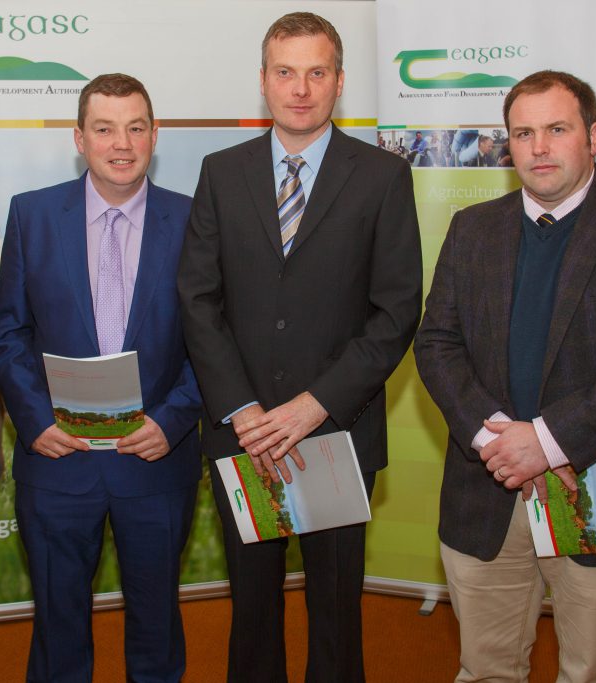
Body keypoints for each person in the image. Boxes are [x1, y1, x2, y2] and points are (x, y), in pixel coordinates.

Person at [414, 70, 596, 682]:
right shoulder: (473, 229)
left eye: (556, 129)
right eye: (523, 133)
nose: (539, 147)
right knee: (485, 669)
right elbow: (437, 342)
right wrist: (495, 440)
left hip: (595, 480)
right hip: (486, 485)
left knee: (592, 670)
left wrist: (546, 441)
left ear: (593, 136)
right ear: (507, 145)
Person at [178, 12, 422, 682]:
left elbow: (397, 310)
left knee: (336, 613)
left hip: (336, 432)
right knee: (251, 609)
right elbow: (198, 298)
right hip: (245, 434)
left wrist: (314, 405)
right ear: (264, 82)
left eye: (317, 72)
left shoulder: (381, 176)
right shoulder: (221, 173)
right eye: (286, 72)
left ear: (339, 81)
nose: (301, 88)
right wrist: (244, 409)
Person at [0, 73, 202, 682]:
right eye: (105, 128)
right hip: (59, 459)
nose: (122, 143)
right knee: (58, 626)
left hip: (156, 460)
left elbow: (213, 339)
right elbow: (9, 332)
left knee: (157, 627)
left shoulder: (193, 221)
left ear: (155, 136)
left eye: (136, 128)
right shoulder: (31, 215)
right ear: (79, 138)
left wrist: (174, 419)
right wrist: (33, 422)